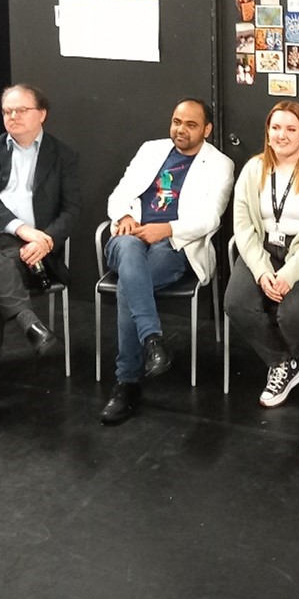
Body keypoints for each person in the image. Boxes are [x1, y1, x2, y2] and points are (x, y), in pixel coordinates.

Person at [0, 84, 81, 437]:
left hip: (27, 248)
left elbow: (71, 211)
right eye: (7, 111)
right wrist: (24, 229)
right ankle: (27, 320)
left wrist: (47, 239)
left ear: (42, 114)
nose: (13, 117)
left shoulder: (63, 155)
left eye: (21, 110)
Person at [99, 99, 235, 425]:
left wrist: (167, 229)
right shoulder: (150, 150)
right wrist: (126, 215)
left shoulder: (220, 164)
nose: (180, 130)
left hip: (175, 245)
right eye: (176, 122)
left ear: (207, 129)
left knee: (129, 286)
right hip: (129, 237)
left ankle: (127, 382)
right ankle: (152, 341)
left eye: (190, 124)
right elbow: (119, 194)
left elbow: (210, 219)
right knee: (130, 253)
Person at [225, 102, 299, 408]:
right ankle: (283, 364)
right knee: (236, 303)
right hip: (264, 250)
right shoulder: (253, 170)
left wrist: (288, 274)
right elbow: (243, 226)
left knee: (294, 315)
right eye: (276, 128)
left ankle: (286, 360)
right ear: (267, 133)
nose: (282, 135)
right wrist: (263, 270)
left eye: (291, 129)